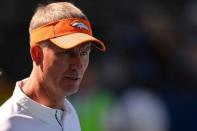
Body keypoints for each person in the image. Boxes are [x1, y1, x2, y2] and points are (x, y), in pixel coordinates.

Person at [0, 2, 106, 131]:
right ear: (36, 54)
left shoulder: (69, 112)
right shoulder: (9, 125)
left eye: (84, 52)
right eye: (66, 52)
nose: (78, 64)